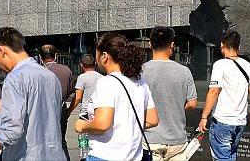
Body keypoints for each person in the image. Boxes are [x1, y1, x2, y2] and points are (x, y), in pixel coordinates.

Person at [0, 26, 65, 161]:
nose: (0, 67)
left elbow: (11, 130)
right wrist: (5, 106)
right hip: (54, 155)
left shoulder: (15, 78)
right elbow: (42, 114)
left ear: (1, 50)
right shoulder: (51, 77)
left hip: (26, 155)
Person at [74, 33, 158, 161]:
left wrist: (82, 125)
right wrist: (126, 125)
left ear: (104, 56)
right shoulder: (140, 82)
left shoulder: (107, 82)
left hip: (105, 155)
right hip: (134, 156)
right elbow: (152, 120)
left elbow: (102, 124)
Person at [197, 30, 250, 161]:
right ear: (238, 47)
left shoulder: (220, 65)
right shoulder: (249, 67)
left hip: (223, 121)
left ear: (222, 45)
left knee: (222, 157)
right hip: (240, 122)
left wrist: (204, 116)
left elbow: (213, 91)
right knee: (231, 155)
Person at [141, 26, 198, 160]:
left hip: (149, 140)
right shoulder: (184, 71)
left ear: (150, 44)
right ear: (172, 45)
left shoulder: (140, 71)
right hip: (177, 140)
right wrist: (175, 107)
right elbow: (192, 103)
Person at [39, 45, 75, 161]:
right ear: (56, 56)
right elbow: (70, 89)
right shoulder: (66, 70)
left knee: (43, 141)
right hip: (61, 107)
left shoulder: (37, 71)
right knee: (61, 140)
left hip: (42, 110)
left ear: (40, 57)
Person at [71, 55, 101, 120]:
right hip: (99, 112)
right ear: (95, 63)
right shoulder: (102, 77)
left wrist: (69, 111)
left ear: (81, 65)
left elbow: (78, 98)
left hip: (86, 113)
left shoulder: (82, 77)